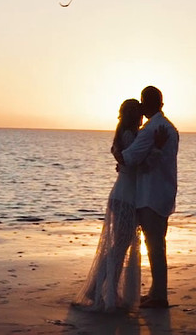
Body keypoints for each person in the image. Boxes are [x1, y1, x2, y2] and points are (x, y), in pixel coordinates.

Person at [73, 98, 169, 312]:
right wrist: (159, 148)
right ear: (134, 115)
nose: (142, 115)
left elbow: (126, 160)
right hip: (125, 197)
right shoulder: (131, 135)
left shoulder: (127, 134)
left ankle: (100, 288)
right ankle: (104, 291)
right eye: (138, 111)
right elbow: (139, 164)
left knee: (119, 244)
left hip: (124, 195)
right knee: (119, 245)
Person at [116, 86, 179, 309]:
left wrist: (118, 155)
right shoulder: (167, 126)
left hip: (151, 195)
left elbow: (130, 157)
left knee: (154, 245)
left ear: (145, 103)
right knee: (157, 244)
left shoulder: (153, 128)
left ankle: (159, 295)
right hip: (163, 193)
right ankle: (156, 291)